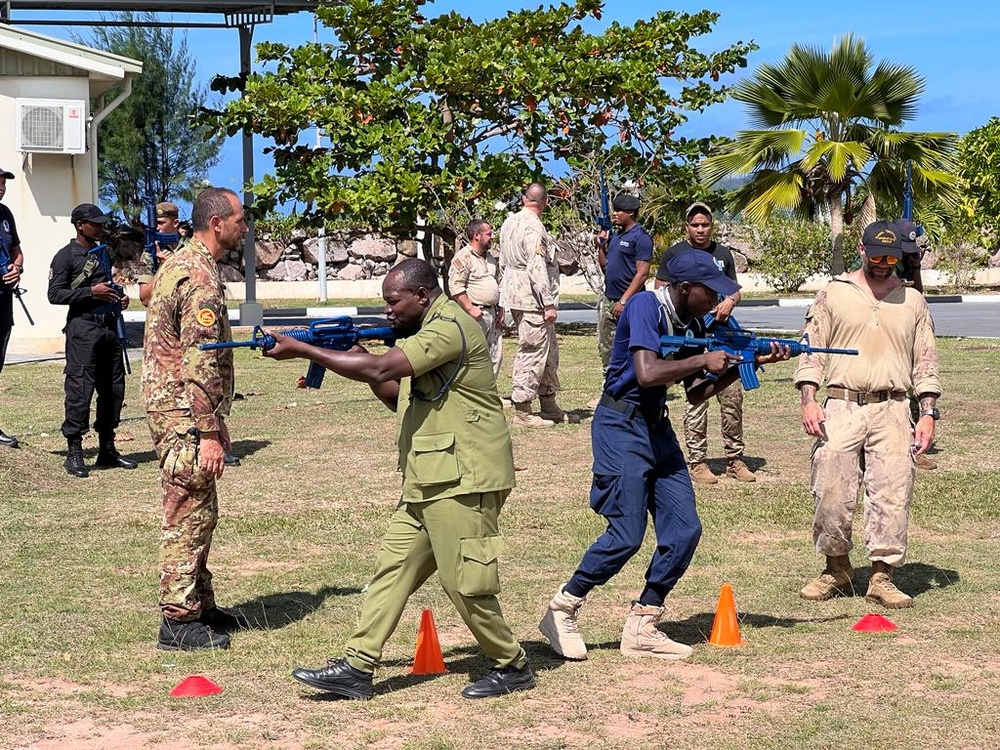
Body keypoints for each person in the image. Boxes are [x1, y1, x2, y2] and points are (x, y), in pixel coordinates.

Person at [275, 258, 534, 700]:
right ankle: (357, 666)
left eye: (393, 301)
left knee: (464, 581)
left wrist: (306, 350)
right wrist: (353, 360)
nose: (388, 310)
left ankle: (511, 664)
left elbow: (381, 369)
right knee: (391, 572)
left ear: (422, 295)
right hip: (429, 477)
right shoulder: (421, 333)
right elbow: (397, 394)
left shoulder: (448, 327)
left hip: (463, 478)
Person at [539, 250, 789, 661]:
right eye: (711, 292)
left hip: (657, 427)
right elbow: (646, 372)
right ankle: (563, 608)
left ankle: (644, 621)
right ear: (685, 287)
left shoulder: (692, 321)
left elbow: (695, 393)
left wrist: (751, 362)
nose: (716, 301)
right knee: (626, 534)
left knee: (685, 529)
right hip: (621, 426)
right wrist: (703, 359)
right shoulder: (644, 306)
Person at [794, 219, 941, 609]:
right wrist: (809, 399)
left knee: (893, 493)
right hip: (841, 405)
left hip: (893, 408)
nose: (883, 262)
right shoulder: (833, 294)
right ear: (862, 249)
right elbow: (811, 350)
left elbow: (925, 363)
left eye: (891, 257)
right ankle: (837, 569)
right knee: (831, 490)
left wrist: (926, 413)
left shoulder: (911, 300)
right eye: (876, 254)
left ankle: (882, 576)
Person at [142, 187, 248, 651]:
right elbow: (199, 358)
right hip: (182, 410)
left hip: (182, 406)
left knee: (202, 509)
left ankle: (201, 605)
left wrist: (215, 418)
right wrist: (206, 430)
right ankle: (178, 620)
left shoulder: (186, 263)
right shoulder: (199, 278)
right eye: (239, 219)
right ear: (217, 223)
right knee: (186, 511)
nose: (245, 227)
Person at [655, 202, 755, 484]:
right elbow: (662, 289)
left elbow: (735, 291)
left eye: (705, 224)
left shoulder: (723, 255)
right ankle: (697, 461)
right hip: (692, 335)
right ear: (686, 226)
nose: (700, 229)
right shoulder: (675, 253)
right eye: (695, 224)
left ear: (712, 225)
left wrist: (727, 302)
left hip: (722, 332)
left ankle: (735, 458)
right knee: (697, 397)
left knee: (732, 395)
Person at [48, 203, 137, 478]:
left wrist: (119, 298)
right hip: (83, 330)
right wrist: (91, 292)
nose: (99, 227)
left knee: (113, 388)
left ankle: (107, 449)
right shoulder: (66, 256)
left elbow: (107, 286)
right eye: (94, 223)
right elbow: (55, 294)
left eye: (101, 223)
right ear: (79, 225)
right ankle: (74, 451)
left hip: (109, 328)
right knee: (80, 388)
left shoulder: (102, 254)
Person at [498, 182, 564, 427]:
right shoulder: (533, 227)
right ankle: (523, 409)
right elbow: (536, 266)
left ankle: (548, 403)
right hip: (531, 296)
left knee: (548, 350)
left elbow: (503, 261)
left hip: (515, 292)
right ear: (545, 202)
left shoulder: (509, 222)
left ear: (524, 199)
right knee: (532, 350)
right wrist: (547, 302)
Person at [895, 218, 937, 471]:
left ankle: (914, 446)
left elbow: (918, 296)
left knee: (916, 386)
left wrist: (917, 267)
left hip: (909, 330)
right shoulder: (884, 258)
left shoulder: (909, 260)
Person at [596, 193, 652, 374]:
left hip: (630, 302)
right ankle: (610, 386)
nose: (615, 214)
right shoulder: (616, 236)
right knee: (607, 347)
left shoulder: (640, 237)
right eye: (614, 210)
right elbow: (605, 266)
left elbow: (642, 273)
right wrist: (601, 246)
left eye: (619, 211)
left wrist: (623, 301)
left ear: (631, 213)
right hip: (609, 299)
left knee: (629, 347)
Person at [448, 219, 503, 378]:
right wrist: (471, 309)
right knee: (474, 356)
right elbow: (456, 287)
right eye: (489, 234)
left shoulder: (490, 258)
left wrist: (501, 309)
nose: (492, 237)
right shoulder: (463, 257)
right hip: (475, 315)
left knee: (495, 356)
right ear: (476, 235)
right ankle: (474, 396)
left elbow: (498, 283)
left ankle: (490, 395)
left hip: (492, 314)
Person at [0, 166, 24, 449]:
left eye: (4, 182)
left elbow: (17, 249)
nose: (1, 186)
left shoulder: (5, 215)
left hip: (3, 299)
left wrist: (17, 267)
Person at [137, 201, 183, 308]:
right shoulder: (150, 253)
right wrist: (163, 268)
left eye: (161, 223)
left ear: (175, 223)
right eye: (154, 224)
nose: (157, 228)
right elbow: (145, 299)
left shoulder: (191, 249)